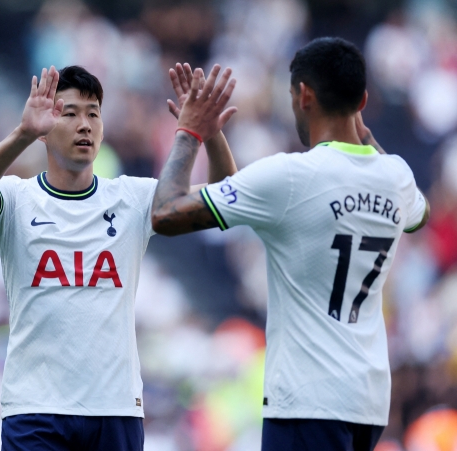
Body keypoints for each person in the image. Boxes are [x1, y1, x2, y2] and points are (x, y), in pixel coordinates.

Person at [151, 37, 430, 451]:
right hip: (368, 403)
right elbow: (419, 217)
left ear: (304, 95)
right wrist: (216, 137)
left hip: (308, 401)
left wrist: (190, 131)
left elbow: (166, 213)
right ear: (364, 99)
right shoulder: (397, 177)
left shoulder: (292, 177)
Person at [0, 64, 237, 450]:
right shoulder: (17, 199)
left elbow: (226, 195)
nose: (84, 124)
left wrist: (210, 131)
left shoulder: (133, 198)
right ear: (45, 126)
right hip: (35, 408)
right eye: (69, 113)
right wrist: (22, 134)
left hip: (115, 408)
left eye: (93, 113)